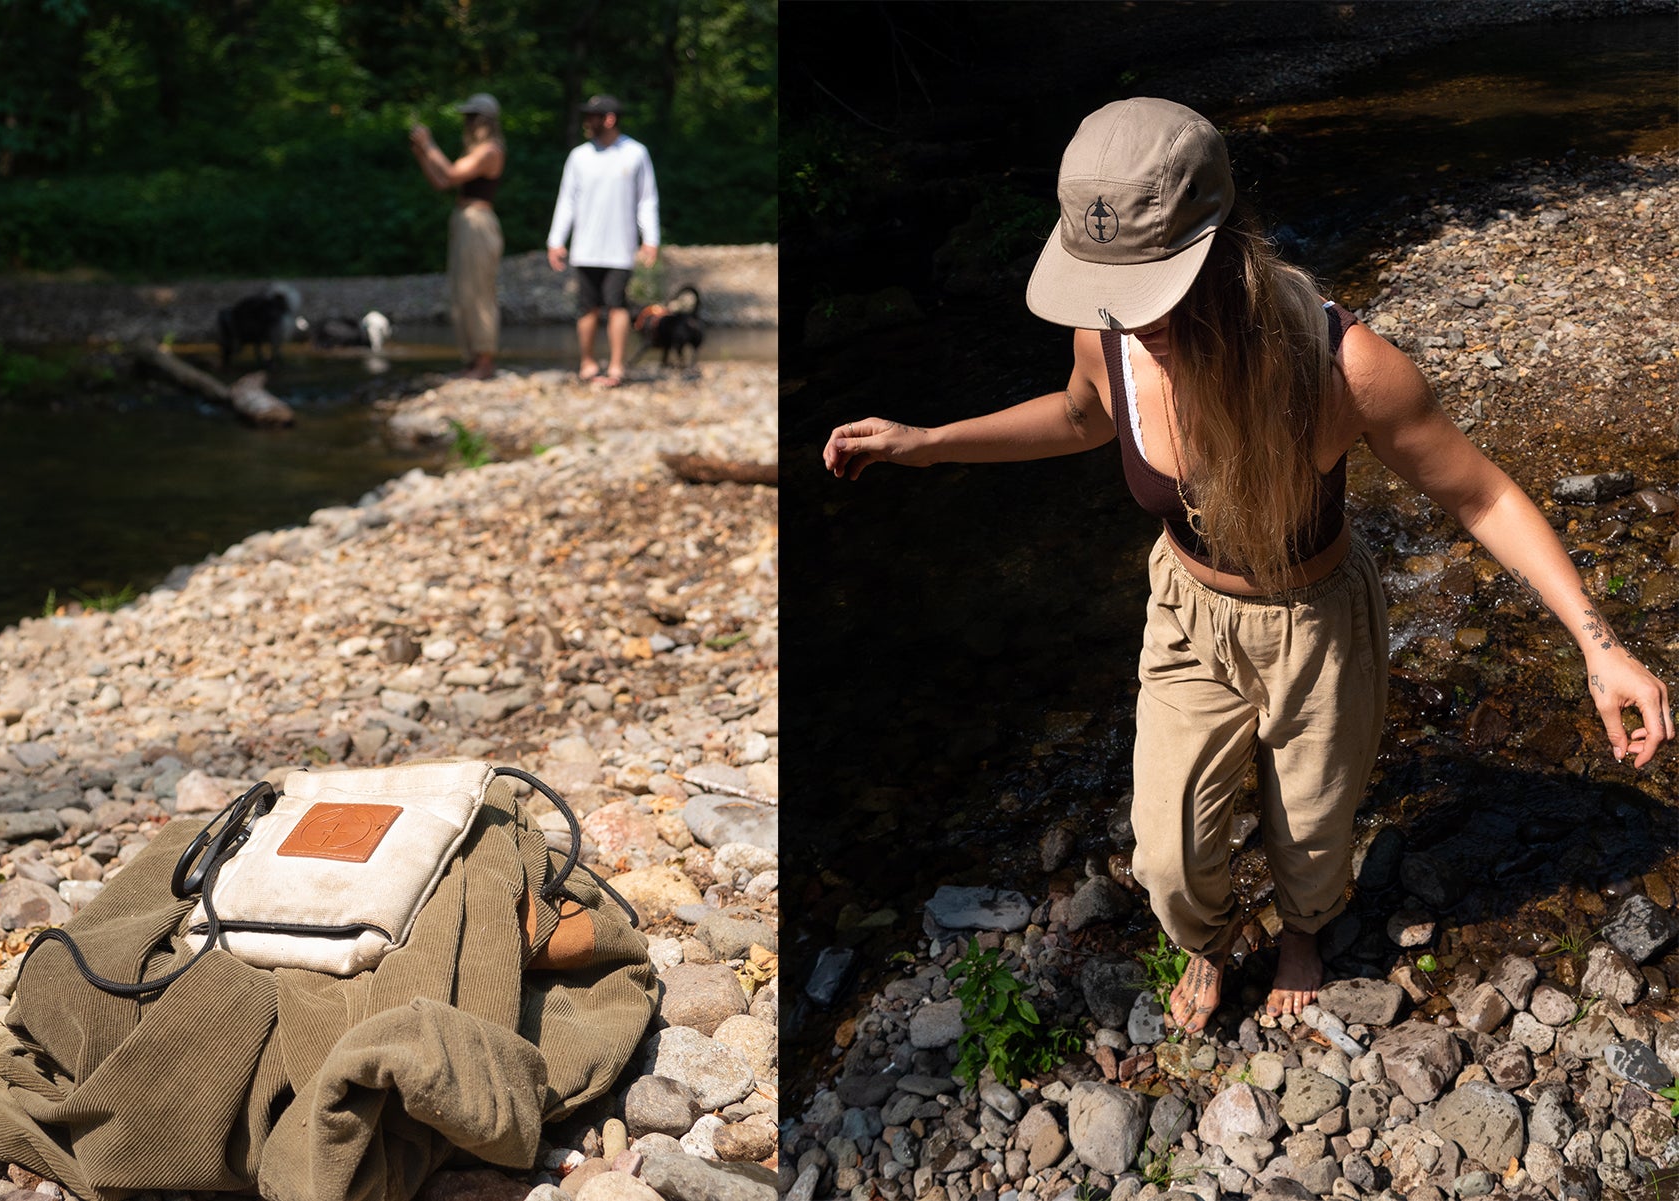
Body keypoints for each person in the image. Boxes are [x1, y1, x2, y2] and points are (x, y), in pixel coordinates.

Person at [823, 97, 1672, 1034]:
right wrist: (932, 440)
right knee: (1169, 855)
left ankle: (1306, 929)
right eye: (1113, 287)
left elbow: (1483, 497)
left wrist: (1600, 645)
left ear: (1222, 246)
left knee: (1310, 831)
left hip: (1317, 623)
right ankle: (1211, 937)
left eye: (1155, 290)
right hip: (1187, 611)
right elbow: (1079, 418)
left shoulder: (1342, 366)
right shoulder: (1106, 331)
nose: (1133, 318)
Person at [545, 94, 660, 388]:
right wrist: (556, 240)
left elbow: (647, 200)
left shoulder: (636, 153)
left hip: (620, 248)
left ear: (609, 119)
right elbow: (566, 201)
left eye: (592, 116)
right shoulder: (579, 156)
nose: (587, 121)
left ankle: (617, 367)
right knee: (587, 307)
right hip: (585, 248)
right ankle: (587, 363)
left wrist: (650, 239)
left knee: (617, 304)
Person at [410, 93, 506, 380]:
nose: (467, 123)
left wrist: (429, 145)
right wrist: (421, 154)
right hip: (464, 221)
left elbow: (450, 173)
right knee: (461, 292)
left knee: (479, 292)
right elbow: (441, 183)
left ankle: (485, 361)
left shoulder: (490, 150)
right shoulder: (476, 151)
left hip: (478, 223)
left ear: (485, 121)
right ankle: (472, 358)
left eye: (471, 118)